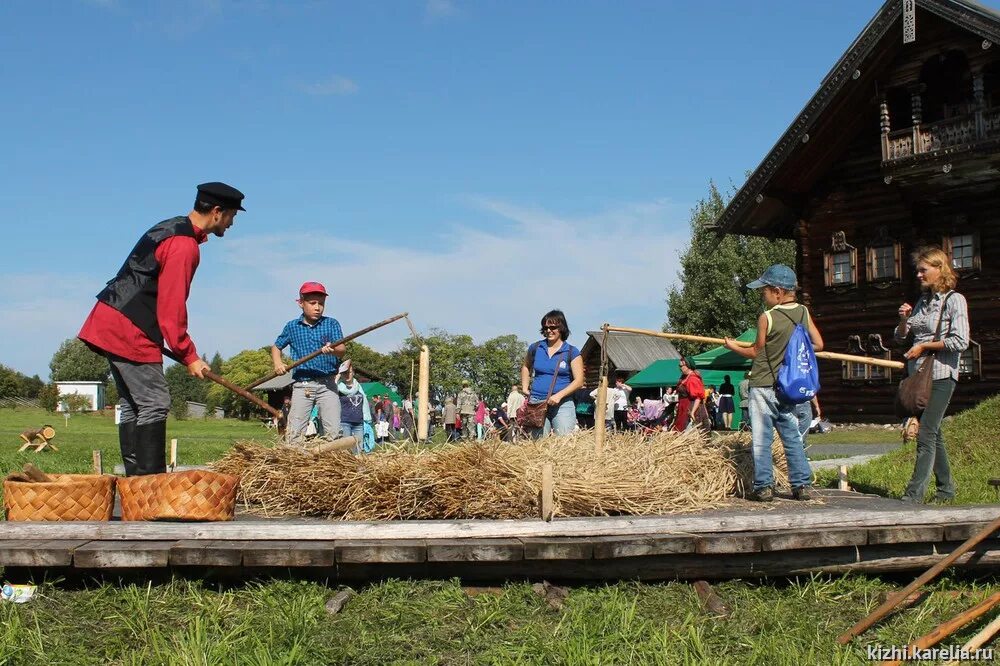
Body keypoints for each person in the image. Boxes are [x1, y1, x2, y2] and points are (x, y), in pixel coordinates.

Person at [78, 182, 245, 476]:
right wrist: (188, 354)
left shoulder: (171, 227)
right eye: (232, 216)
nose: (232, 224)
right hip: (130, 328)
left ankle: (136, 487)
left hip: (110, 318)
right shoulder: (183, 246)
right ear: (217, 212)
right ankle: (150, 486)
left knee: (134, 404)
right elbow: (171, 309)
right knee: (155, 403)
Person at [724, 264, 823, 502]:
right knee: (791, 436)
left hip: (763, 385)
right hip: (787, 388)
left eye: (764, 291)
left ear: (778, 292)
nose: (762, 295)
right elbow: (818, 345)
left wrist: (732, 346)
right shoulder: (803, 313)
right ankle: (801, 485)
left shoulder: (766, 317)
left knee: (762, 438)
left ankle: (764, 487)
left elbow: (756, 352)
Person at [894, 246, 969, 503]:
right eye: (918, 270)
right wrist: (904, 319)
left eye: (923, 270)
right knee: (934, 432)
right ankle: (946, 490)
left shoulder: (954, 300)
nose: (919, 274)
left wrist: (925, 345)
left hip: (941, 374)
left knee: (926, 432)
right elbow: (900, 336)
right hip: (919, 375)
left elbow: (960, 341)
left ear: (939, 269)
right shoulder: (922, 302)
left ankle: (914, 495)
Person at [270, 282, 347, 445]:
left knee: (333, 430)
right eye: (312, 303)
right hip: (302, 385)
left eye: (321, 304)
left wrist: (332, 349)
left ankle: (332, 462)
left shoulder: (331, 323)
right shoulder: (292, 327)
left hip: (328, 384)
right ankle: (293, 459)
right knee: (295, 431)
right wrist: (278, 363)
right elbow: (276, 347)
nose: (317, 308)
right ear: (300, 303)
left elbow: (341, 349)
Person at [520, 309, 585, 437]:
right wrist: (524, 387)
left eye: (553, 327)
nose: (549, 331)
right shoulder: (536, 348)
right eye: (546, 327)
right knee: (537, 444)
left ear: (561, 328)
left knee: (565, 442)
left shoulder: (572, 351)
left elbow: (579, 381)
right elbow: (526, 367)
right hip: (537, 402)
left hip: (563, 404)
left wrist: (559, 396)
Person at [336, 363, 368, 452]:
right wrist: (337, 377)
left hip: (359, 423)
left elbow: (364, 403)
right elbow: (331, 393)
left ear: (353, 372)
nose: (347, 375)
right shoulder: (339, 388)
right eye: (344, 373)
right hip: (344, 422)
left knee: (359, 449)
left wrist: (366, 419)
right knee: (346, 450)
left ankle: (358, 466)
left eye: (349, 372)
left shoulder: (359, 387)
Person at [673, 358, 706, 432]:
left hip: (690, 406)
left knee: (686, 429)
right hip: (682, 406)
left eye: (681, 366)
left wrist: (692, 412)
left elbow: (698, 398)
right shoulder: (684, 377)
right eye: (679, 366)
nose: (680, 368)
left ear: (688, 365)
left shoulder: (693, 379)